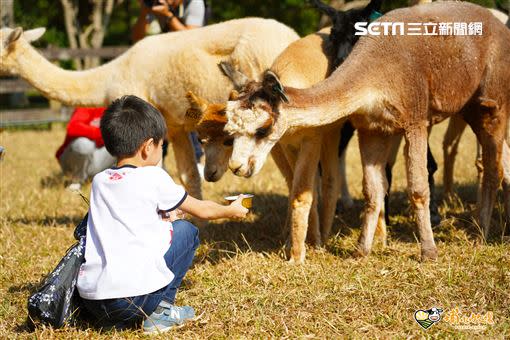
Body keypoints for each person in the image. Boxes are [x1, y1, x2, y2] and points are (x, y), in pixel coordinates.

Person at [76, 95, 248, 334]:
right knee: (186, 232)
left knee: (172, 227)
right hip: (134, 300)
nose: (161, 149)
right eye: (161, 145)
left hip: (94, 301)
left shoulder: (100, 181)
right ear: (148, 147)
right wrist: (230, 210)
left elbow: (126, 220)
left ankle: (113, 321)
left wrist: (164, 218)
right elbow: (203, 210)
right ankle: (161, 312)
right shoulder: (154, 177)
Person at [132, 0, 207, 177]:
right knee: (155, 118)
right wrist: (144, 12)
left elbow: (192, 39)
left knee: (190, 117)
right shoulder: (152, 5)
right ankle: (156, 163)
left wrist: (168, 16)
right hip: (159, 72)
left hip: (189, 72)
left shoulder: (194, 4)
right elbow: (136, 37)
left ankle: (197, 161)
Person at [56, 107, 116, 190]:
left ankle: (114, 180)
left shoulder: (120, 108)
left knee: (122, 143)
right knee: (84, 144)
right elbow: (73, 127)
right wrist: (101, 134)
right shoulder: (88, 105)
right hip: (72, 161)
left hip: (96, 160)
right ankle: (75, 181)